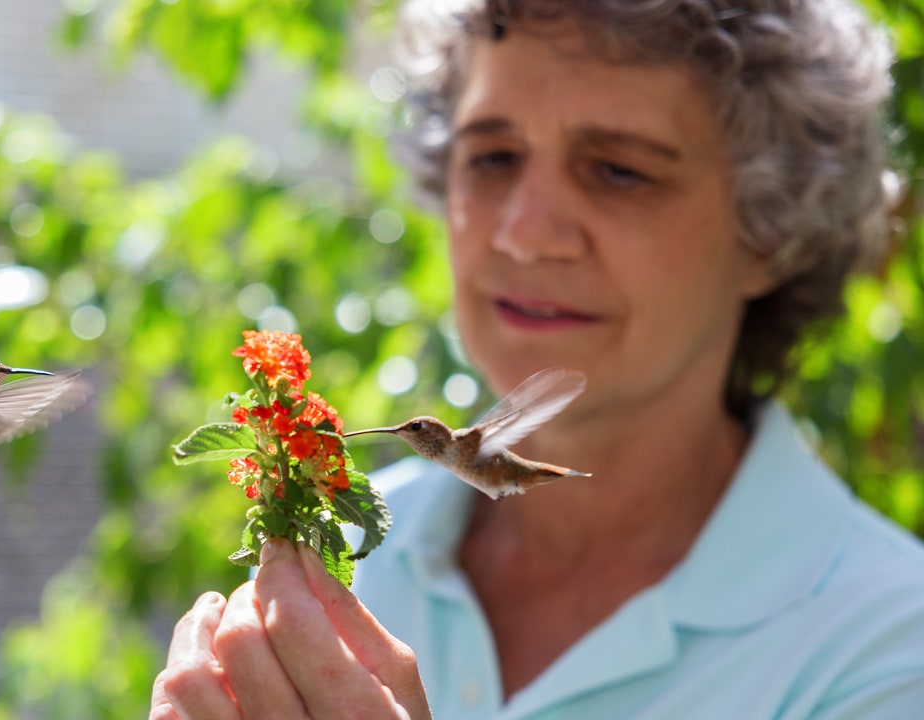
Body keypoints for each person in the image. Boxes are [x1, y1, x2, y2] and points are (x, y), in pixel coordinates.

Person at [150, 0, 924, 717]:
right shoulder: (344, 553)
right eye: (492, 158)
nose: (525, 230)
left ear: (770, 230)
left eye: (619, 170)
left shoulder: (890, 647)